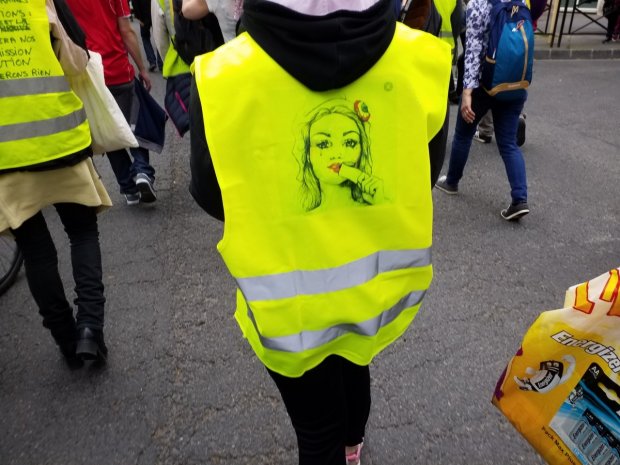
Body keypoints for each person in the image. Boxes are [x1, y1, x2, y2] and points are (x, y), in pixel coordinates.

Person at [188, 1, 451, 464]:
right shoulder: (421, 59)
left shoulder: (220, 77)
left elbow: (212, 199)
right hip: (375, 297)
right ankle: (353, 447)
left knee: (315, 430)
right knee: (355, 362)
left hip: (287, 311)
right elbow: (422, 176)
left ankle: (342, 447)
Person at [0, 0, 111, 366]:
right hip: (59, 137)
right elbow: (75, 61)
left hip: (6, 155)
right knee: (81, 233)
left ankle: (65, 337)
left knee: (35, 250)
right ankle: (90, 328)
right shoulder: (38, 2)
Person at [435, 0, 530, 221]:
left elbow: (473, 49)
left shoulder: (478, 4)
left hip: (483, 84)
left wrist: (467, 91)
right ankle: (520, 199)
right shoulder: (520, 1)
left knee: (463, 134)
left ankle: (452, 181)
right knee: (507, 143)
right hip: (514, 83)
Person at [66, 0, 158, 206]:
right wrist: (142, 68)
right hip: (117, 68)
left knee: (107, 127)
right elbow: (126, 31)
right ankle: (142, 170)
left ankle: (128, 187)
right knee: (133, 120)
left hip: (88, 71)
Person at [298, 100, 385, 211]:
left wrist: (381, 206)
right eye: (323, 144)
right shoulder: (302, 223)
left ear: (361, 151)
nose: (337, 154)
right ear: (308, 155)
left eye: (349, 142)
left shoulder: (377, 207)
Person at [132, 0, 164, 71]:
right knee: (158, 37)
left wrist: (139, 17)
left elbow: (135, 3)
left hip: (143, 16)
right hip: (155, 14)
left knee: (145, 38)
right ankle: (161, 62)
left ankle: (152, 61)